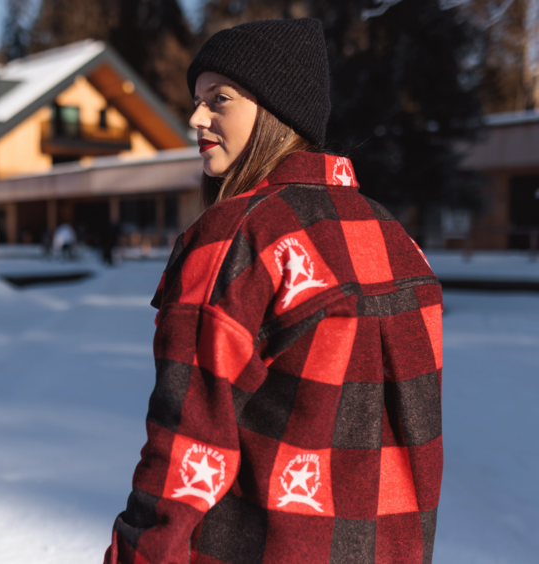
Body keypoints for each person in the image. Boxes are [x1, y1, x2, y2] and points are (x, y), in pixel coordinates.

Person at [105, 18, 443, 564]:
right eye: (196, 101)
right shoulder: (396, 240)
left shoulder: (237, 234)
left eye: (219, 99)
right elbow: (418, 444)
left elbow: (186, 445)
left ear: (277, 110)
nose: (195, 118)